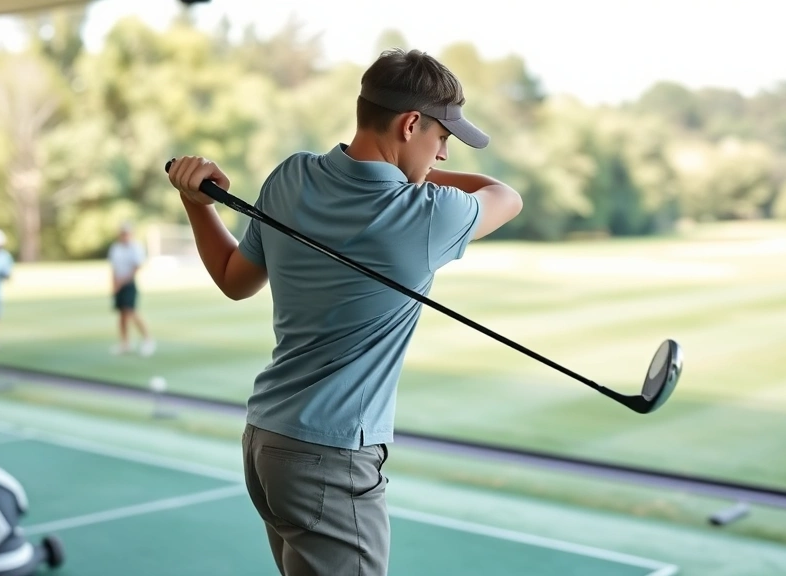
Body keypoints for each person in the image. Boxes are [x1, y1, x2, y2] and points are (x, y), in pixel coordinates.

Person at [166, 48, 523, 576]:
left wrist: (198, 205)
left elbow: (233, 280)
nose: (443, 154)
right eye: (442, 138)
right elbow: (505, 196)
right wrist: (419, 180)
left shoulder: (289, 177)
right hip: (329, 462)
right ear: (410, 125)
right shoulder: (427, 216)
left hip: (266, 444)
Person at [107, 222, 155, 356]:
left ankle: (147, 339)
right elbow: (113, 268)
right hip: (118, 284)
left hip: (129, 284)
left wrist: (122, 281)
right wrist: (114, 284)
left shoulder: (135, 247)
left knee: (131, 312)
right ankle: (125, 343)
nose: (124, 236)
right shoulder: (115, 248)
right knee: (122, 315)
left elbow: (137, 267)